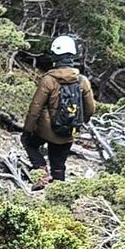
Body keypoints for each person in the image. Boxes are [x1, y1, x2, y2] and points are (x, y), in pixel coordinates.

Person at [21, 34, 96, 185]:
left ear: (54, 56)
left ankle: (40, 172)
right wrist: (78, 123)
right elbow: (91, 109)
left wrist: (28, 129)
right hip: (68, 132)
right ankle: (57, 193)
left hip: (46, 131)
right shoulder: (82, 81)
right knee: (59, 166)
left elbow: (35, 108)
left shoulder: (48, 80)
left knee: (29, 142)